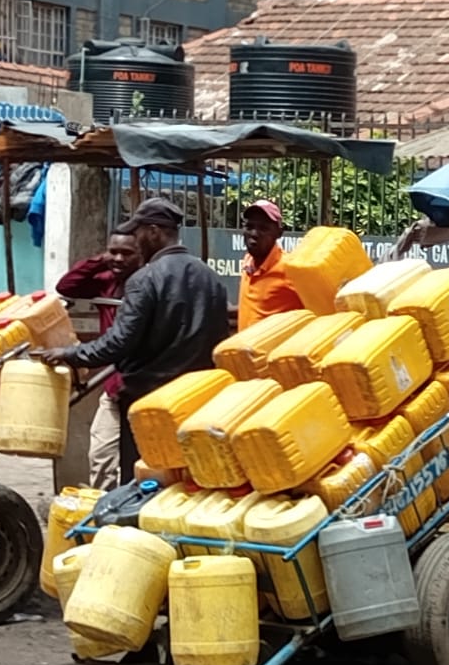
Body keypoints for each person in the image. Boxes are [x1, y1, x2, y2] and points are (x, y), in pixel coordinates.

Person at [35, 197, 230, 488]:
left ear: (153, 231)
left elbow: (119, 342)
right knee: (187, 480)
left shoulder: (145, 279)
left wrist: (69, 353)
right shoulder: (211, 278)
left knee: (141, 479)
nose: (136, 240)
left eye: (138, 233)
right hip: (195, 399)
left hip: (148, 403)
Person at [55, 229, 142, 489]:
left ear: (141, 254)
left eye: (126, 253)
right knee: (101, 456)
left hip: (144, 387)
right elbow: (67, 285)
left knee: (141, 461)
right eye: (113, 252)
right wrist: (100, 261)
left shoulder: (149, 284)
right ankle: (103, 514)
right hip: (114, 387)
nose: (118, 258)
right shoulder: (106, 282)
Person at [237, 198, 297, 329]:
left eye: (263, 228)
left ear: (279, 233)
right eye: (249, 226)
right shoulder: (248, 262)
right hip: (242, 348)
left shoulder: (290, 269)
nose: (254, 234)